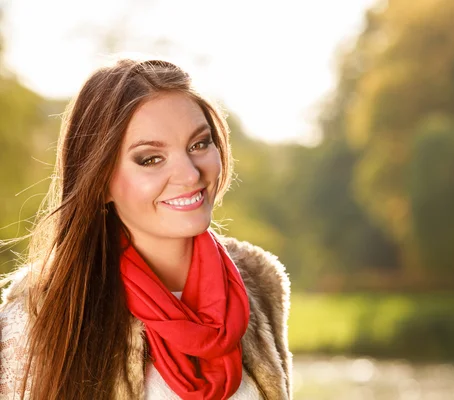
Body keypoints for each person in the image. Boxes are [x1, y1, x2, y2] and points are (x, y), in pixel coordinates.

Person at [0, 59, 292, 400]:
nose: (190, 174)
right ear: (101, 181)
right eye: (150, 159)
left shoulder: (259, 281)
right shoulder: (42, 311)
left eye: (199, 144)